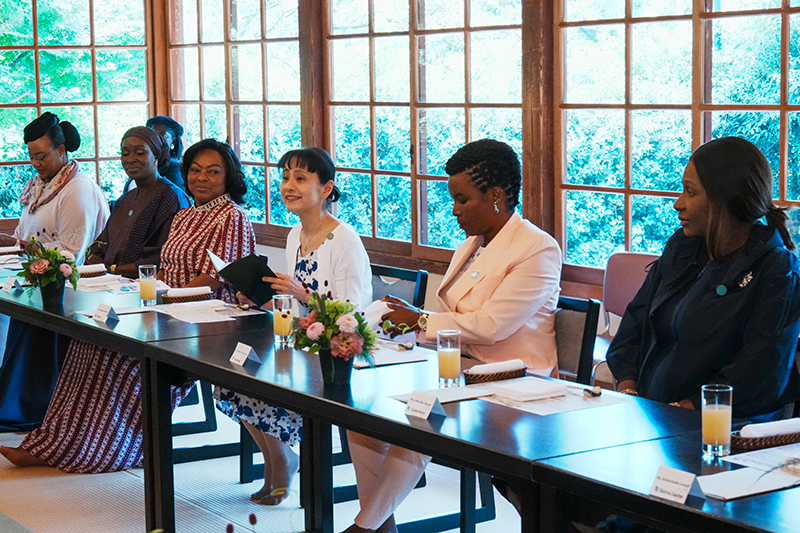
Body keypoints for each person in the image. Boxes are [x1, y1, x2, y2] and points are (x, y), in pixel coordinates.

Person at [343, 139, 562, 533]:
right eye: (453, 200)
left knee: (423, 413)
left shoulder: (537, 248)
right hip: (458, 369)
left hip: (514, 379)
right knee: (361, 413)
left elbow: (492, 325)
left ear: (495, 196)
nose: (455, 210)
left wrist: (419, 321)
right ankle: (380, 524)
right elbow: (453, 315)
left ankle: (365, 527)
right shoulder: (472, 245)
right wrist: (408, 320)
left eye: (462, 200)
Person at [0, 138, 254, 473]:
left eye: (213, 171)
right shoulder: (186, 215)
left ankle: (100, 450)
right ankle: (54, 441)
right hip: (165, 308)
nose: (202, 178)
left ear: (228, 176)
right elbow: (164, 268)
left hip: (201, 321)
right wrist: (151, 292)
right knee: (90, 343)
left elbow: (213, 279)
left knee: (119, 358)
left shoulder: (232, 216)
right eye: (195, 170)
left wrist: (166, 299)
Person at [607, 136, 800, 421]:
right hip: (651, 417)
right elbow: (634, 328)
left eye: (690, 192)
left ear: (724, 199)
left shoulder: (777, 270)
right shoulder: (682, 249)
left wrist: (682, 411)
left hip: (723, 429)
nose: (678, 203)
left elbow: (760, 375)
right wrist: (630, 393)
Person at [218, 147, 372, 505]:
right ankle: (280, 458)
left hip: (334, 352)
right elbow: (293, 307)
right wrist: (258, 297)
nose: (289, 186)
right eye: (286, 177)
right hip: (299, 340)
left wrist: (303, 293)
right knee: (232, 379)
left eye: (301, 179)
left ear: (326, 188)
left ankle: (282, 461)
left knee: (261, 382)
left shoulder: (344, 240)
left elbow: (352, 314)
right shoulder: (294, 234)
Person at [0, 112, 109, 432]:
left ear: (62, 151)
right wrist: (15, 244)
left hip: (72, 286)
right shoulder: (40, 185)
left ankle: (27, 404)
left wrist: (21, 247)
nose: (36, 163)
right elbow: (24, 235)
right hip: (36, 274)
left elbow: (71, 254)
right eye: (32, 157)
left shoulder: (78, 189)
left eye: (41, 156)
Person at [86, 126, 190, 277]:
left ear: (155, 155)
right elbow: (99, 247)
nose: (130, 159)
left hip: (146, 285)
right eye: (125, 153)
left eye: (140, 153)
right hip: (110, 282)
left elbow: (163, 257)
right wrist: (93, 259)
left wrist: (113, 269)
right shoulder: (123, 200)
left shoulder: (171, 197)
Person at [122, 115, 186, 195]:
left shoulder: (173, 168)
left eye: (162, 135)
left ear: (173, 141)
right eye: (151, 135)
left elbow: (174, 198)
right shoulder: (143, 164)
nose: (156, 140)